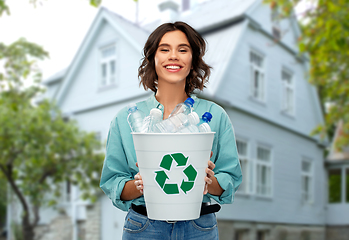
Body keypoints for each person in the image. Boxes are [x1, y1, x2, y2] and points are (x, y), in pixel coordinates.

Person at [100, 21, 242, 240]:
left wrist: (208, 182)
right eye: (164, 49)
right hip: (144, 227)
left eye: (182, 50)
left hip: (198, 227)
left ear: (193, 60)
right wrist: (139, 185)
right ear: (153, 59)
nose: (173, 56)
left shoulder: (216, 115)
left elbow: (230, 178)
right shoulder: (124, 119)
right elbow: (112, 181)